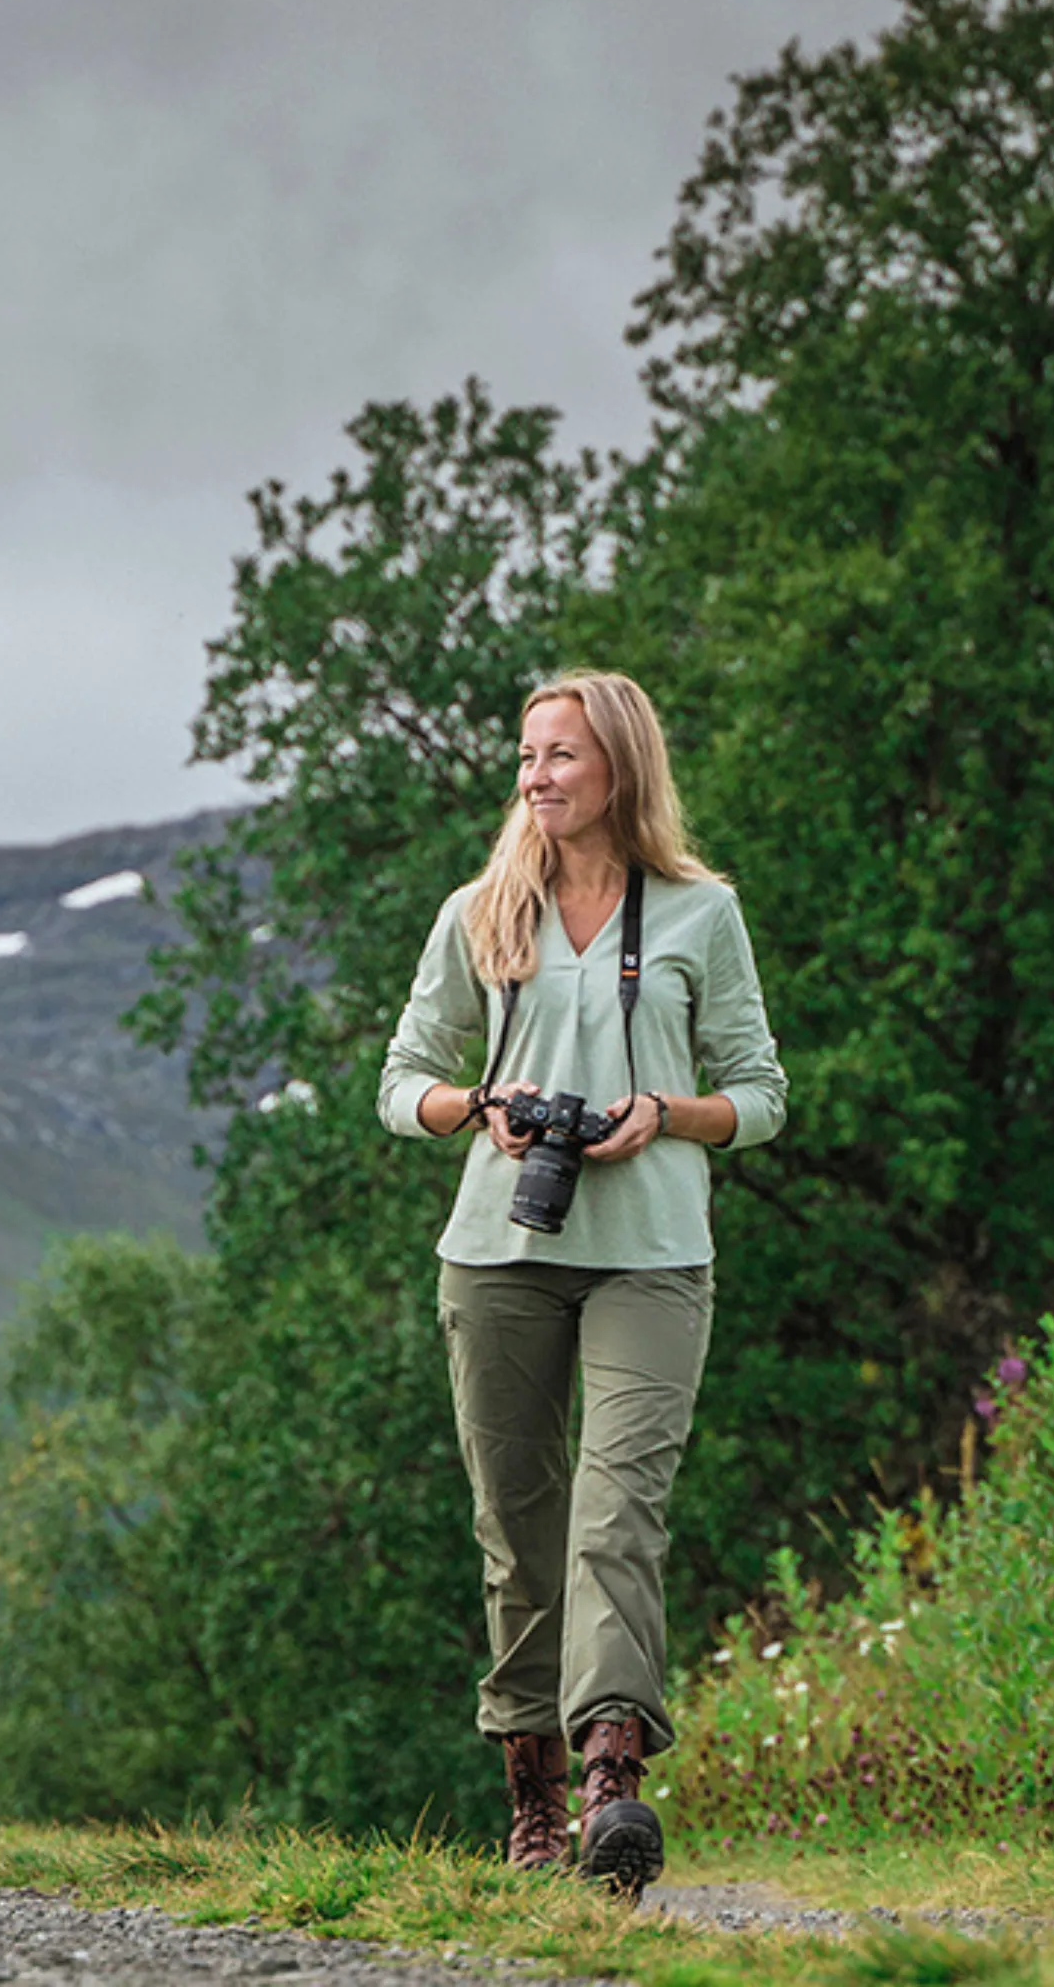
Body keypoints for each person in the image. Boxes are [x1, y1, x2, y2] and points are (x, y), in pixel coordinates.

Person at [377, 670, 787, 1890]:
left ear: (618, 767)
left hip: (654, 1253)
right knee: (517, 1529)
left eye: (557, 755)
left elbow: (762, 1096)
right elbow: (400, 1080)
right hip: (497, 1253)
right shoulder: (481, 911)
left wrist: (663, 1113)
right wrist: (475, 1108)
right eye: (524, 757)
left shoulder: (698, 913)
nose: (534, 777)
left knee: (617, 1516)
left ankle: (613, 1778)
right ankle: (533, 1798)